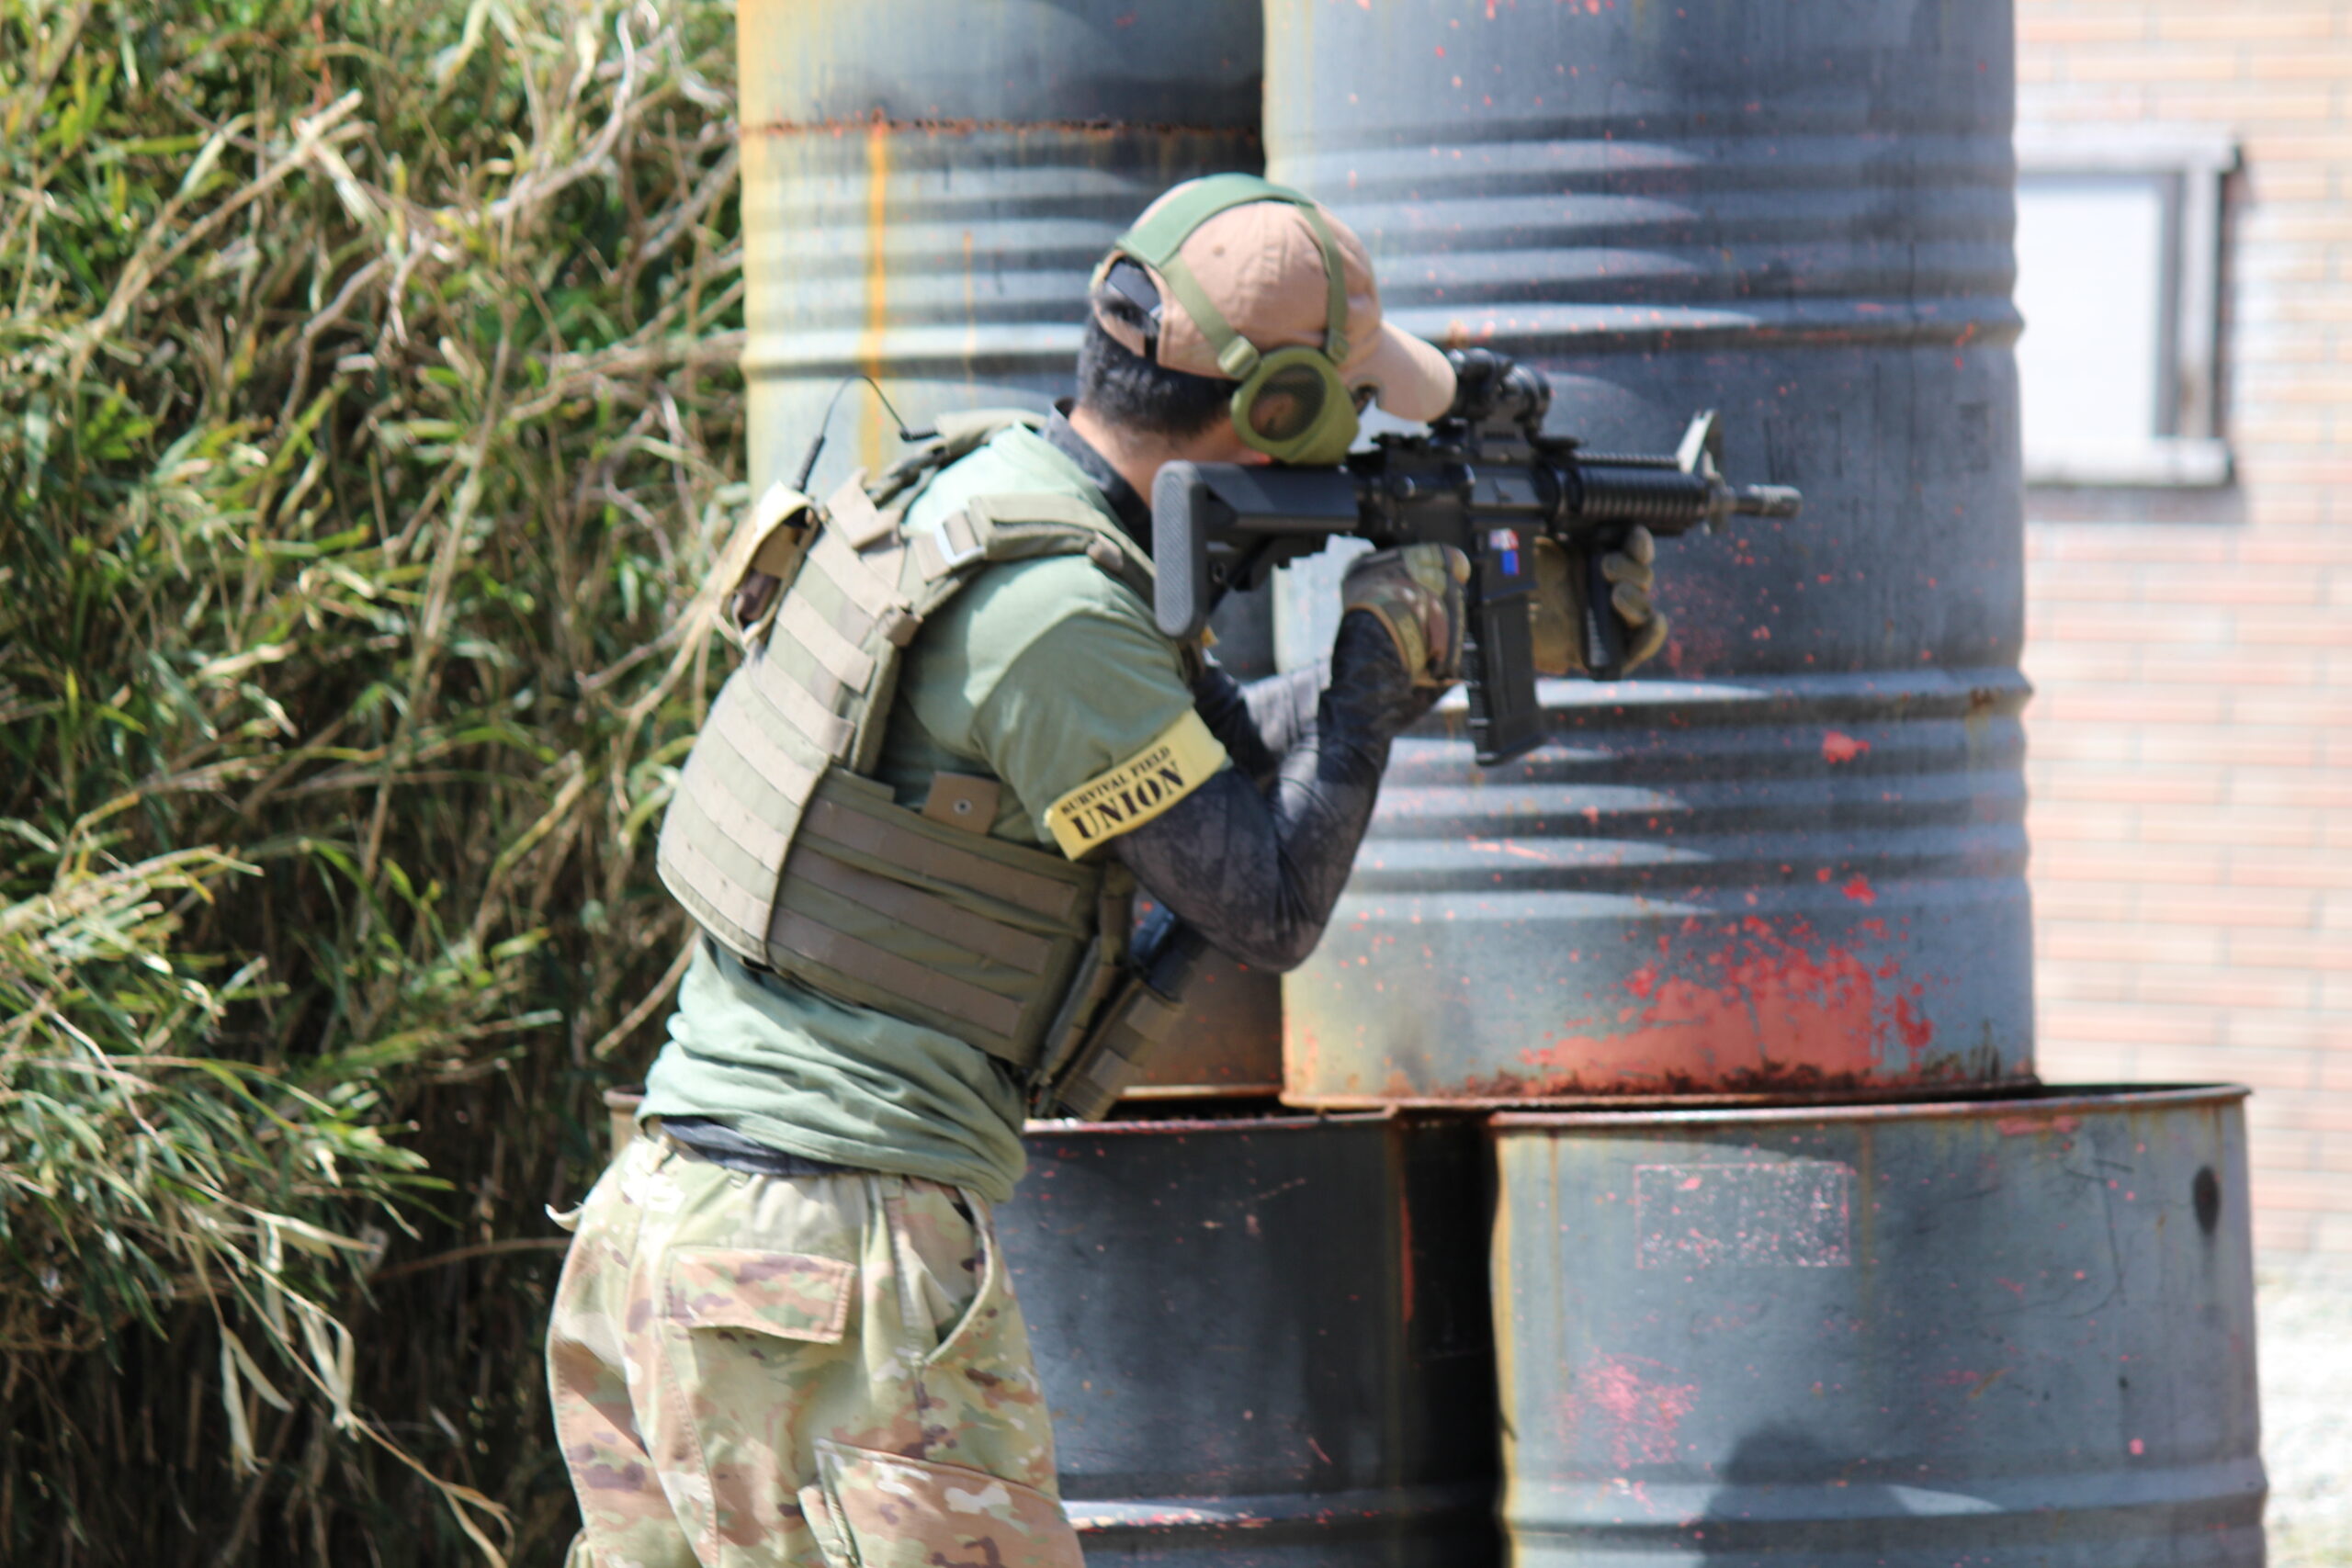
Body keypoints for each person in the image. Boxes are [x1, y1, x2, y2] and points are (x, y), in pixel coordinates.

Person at [543, 175, 1664, 1568]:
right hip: (823, 1262)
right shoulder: (1057, 613)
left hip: (691, 1223)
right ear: (1279, 414)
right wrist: (1373, 674)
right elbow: (1266, 905)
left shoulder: (989, 495)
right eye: (1355, 403)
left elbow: (1195, 777)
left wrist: (1406, 665)